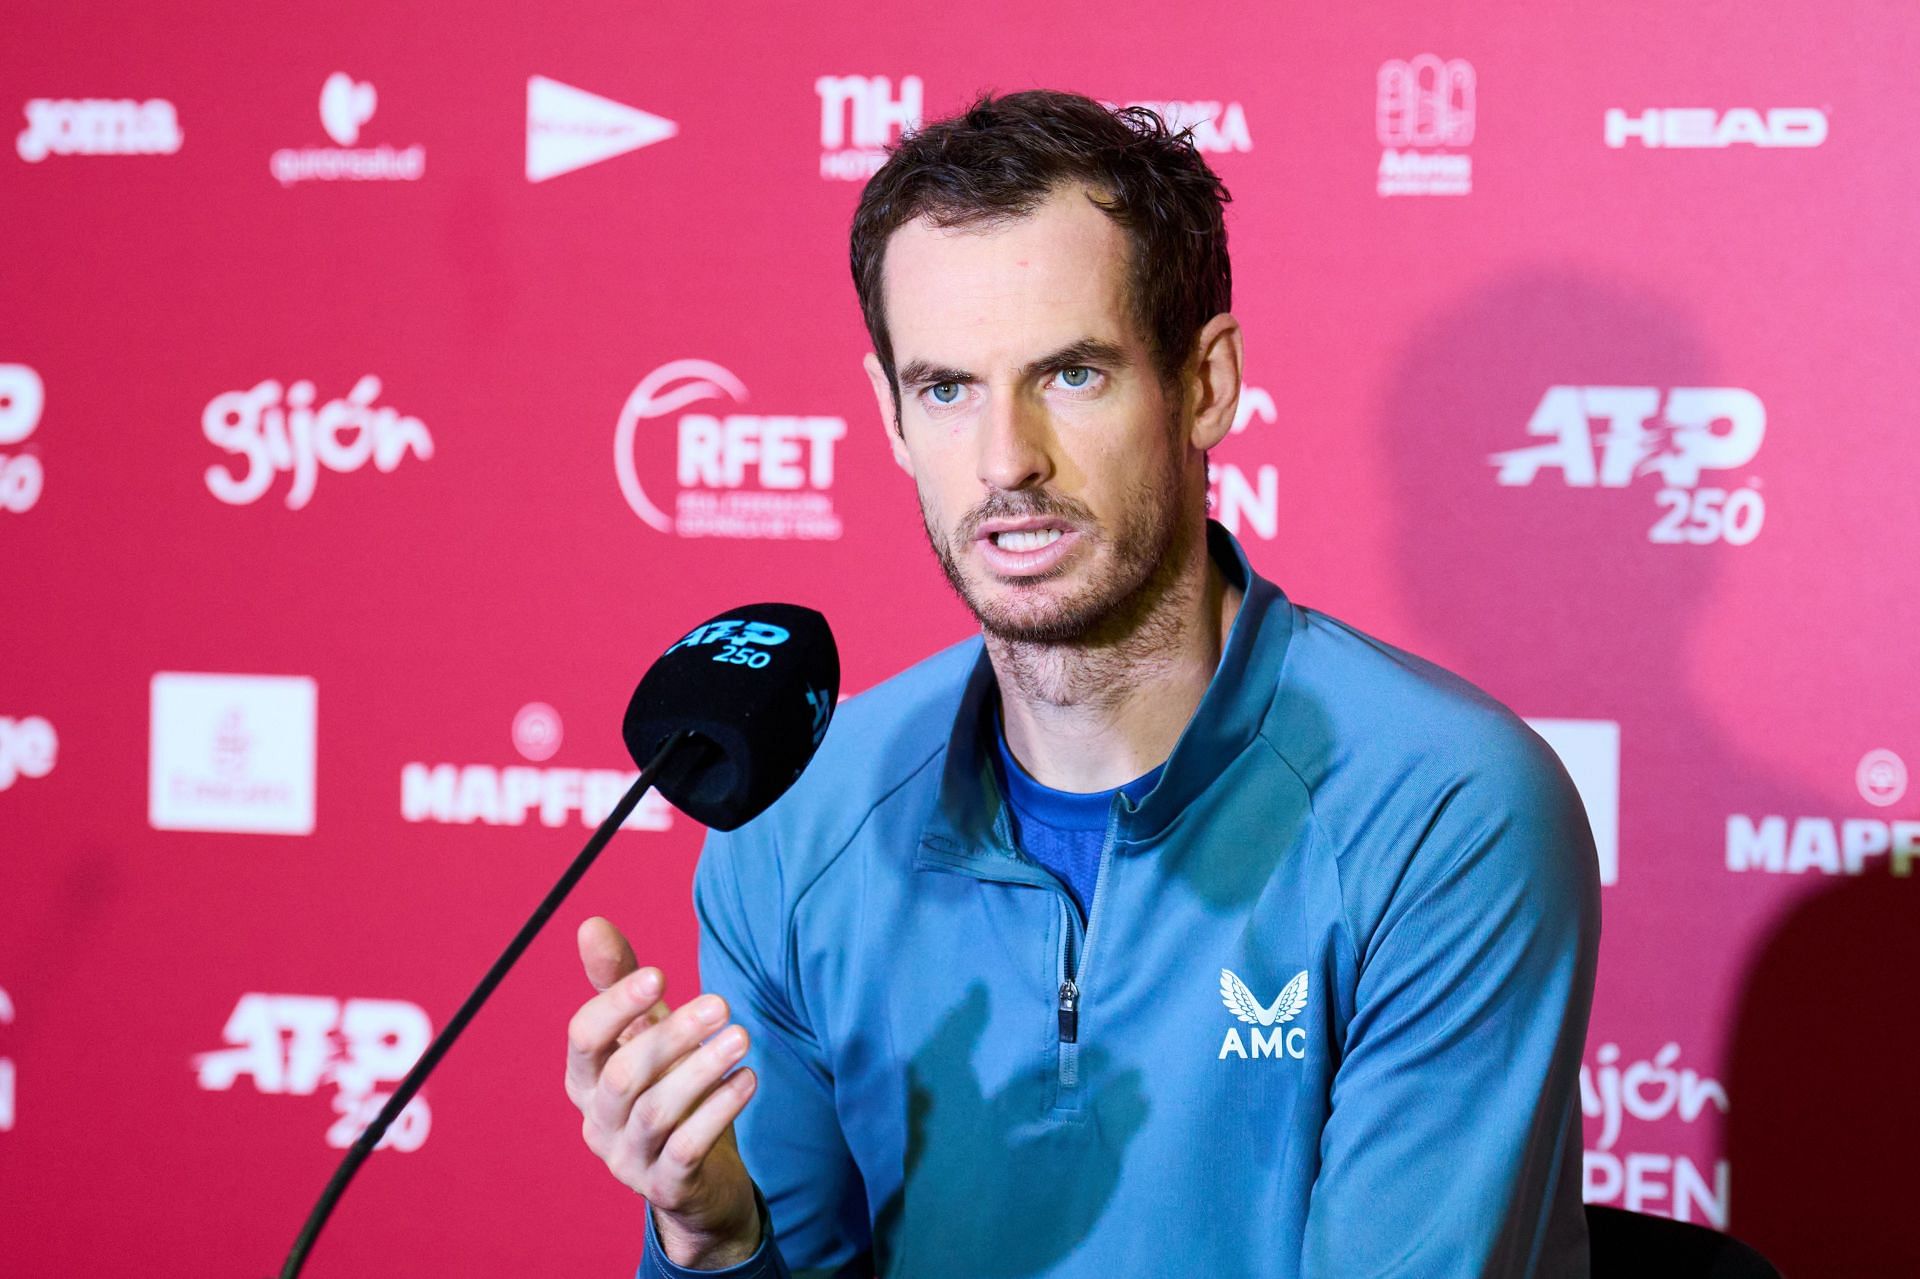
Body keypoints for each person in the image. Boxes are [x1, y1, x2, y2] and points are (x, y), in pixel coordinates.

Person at [564, 90, 1601, 1278]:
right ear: (890, 415)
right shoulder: (795, 824)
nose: (1007, 461)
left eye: (1070, 375)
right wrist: (713, 1238)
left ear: (1205, 383)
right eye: (947, 387)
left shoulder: (1441, 811)